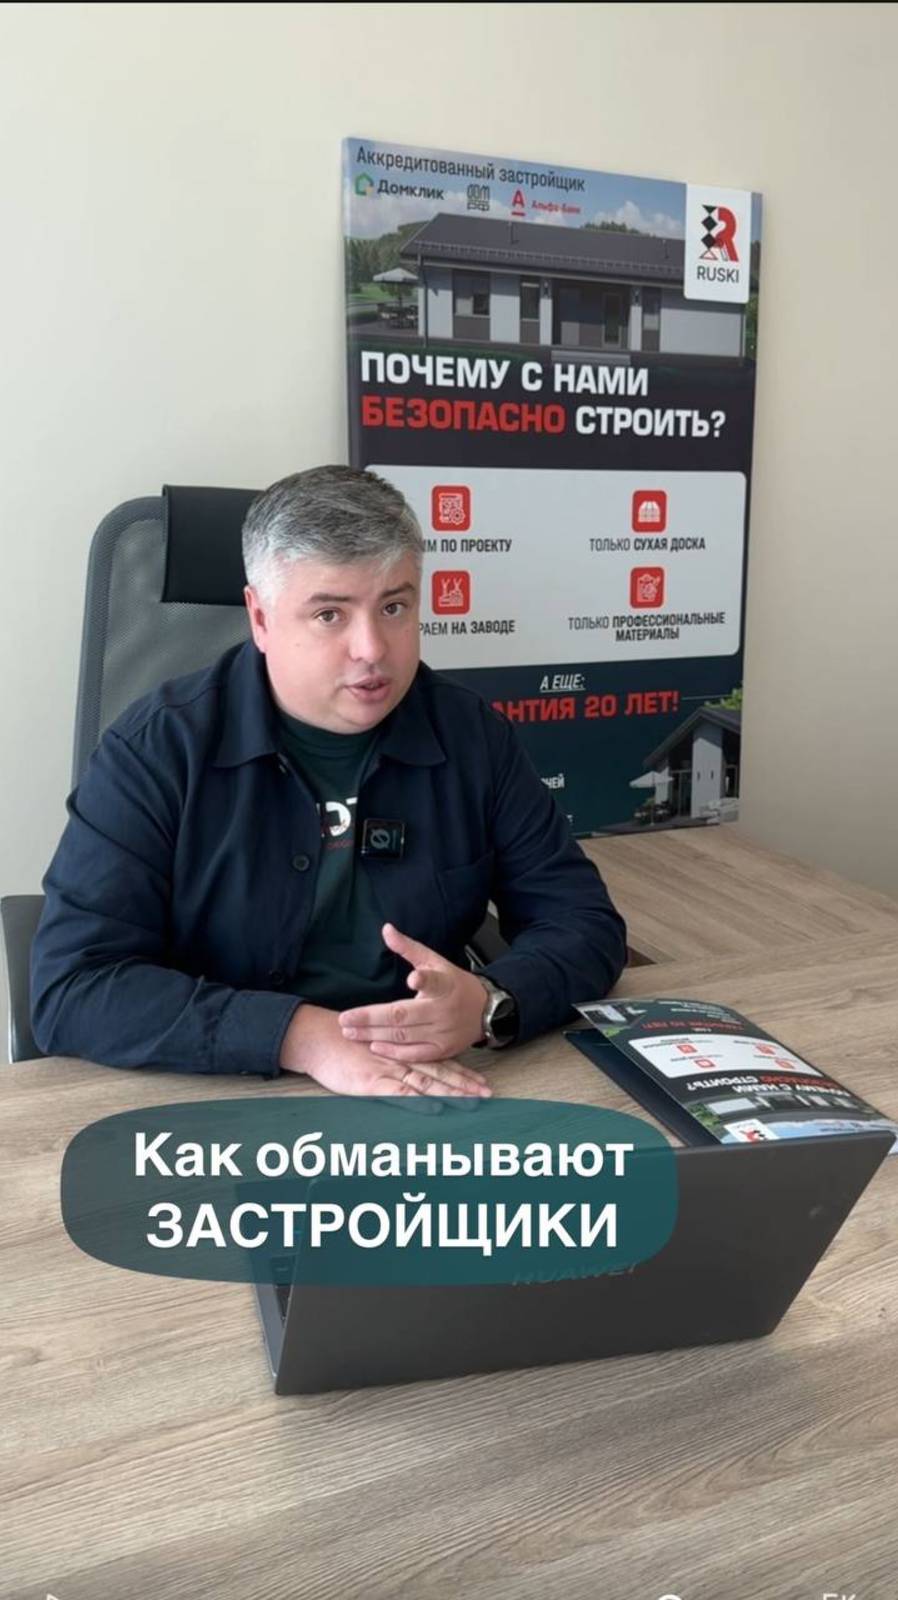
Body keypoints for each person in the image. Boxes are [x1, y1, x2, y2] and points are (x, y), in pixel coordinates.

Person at [31, 466, 627, 1100]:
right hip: (220, 1088)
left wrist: (489, 1000)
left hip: (428, 1078)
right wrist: (302, 1037)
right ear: (261, 618)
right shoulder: (155, 750)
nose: (372, 649)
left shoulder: (471, 737)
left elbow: (584, 923)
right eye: (329, 615)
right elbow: (73, 986)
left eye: (394, 607)